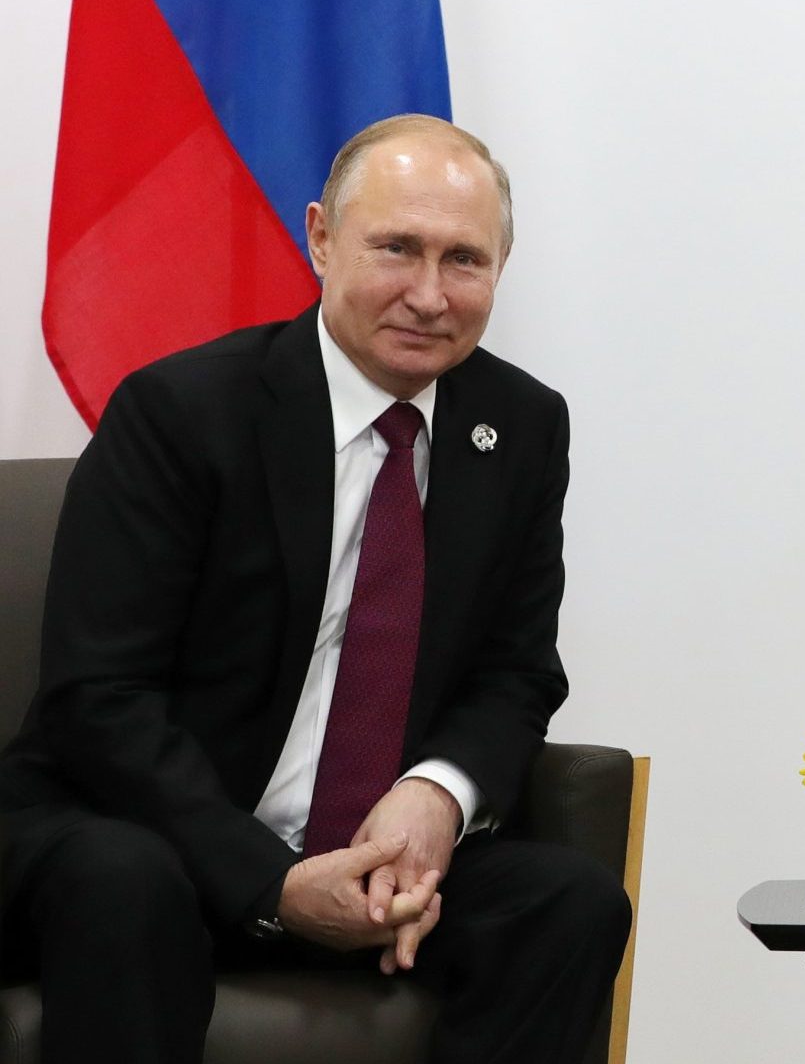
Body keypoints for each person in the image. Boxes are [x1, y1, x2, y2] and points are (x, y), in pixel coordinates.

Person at [0, 114, 631, 1062]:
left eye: (464, 259)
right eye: (396, 248)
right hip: (146, 833)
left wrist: (437, 794)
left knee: (570, 904)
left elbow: (516, 670)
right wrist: (274, 883)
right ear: (321, 239)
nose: (428, 294)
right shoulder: (180, 412)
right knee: (125, 879)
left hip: (373, 858)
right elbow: (99, 702)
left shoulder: (522, 426)